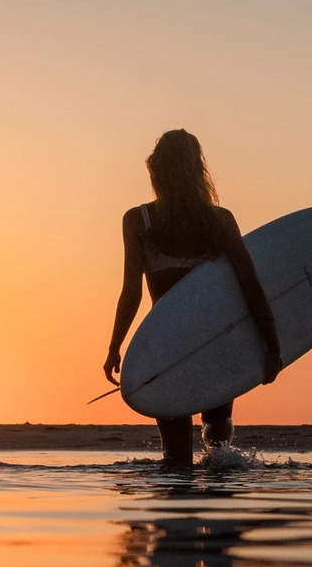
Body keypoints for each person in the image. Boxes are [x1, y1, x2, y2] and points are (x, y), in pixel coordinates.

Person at [103, 130, 282, 468]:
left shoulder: (138, 220)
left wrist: (116, 346)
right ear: (199, 172)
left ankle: (176, 514)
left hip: (165, 346)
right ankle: (221, 505)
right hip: (215, 341)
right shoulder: (219, 220)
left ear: (156, 172)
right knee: (218, 442)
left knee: (176, 458)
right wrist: (270, 344)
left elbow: (132, 293)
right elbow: (251, 287)